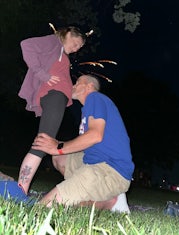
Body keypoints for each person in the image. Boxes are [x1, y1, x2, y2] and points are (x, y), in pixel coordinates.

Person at [32, 74, 135, 213]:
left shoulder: (95, 98)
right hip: (93, 162)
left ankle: (108, 200)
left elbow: (95, 136)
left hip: (111, 170)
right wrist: (58, 144)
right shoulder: (89, 108)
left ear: (89, 86)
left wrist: (58, 147)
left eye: (77, 82)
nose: (73, 86)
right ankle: (106, 199)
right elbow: (89, 142)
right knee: (59, 158)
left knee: (41, 209)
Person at [17, 24, 92, 194]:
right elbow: (26, 45)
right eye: (77, 43)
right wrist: (42, 74)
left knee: (43, 142)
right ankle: (21, 191)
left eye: (80, 47)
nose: (77, 48)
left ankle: (22, 190)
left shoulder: (60, 53)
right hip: (54, 95)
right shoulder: (53, 42)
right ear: (68, 34)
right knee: (42, 143)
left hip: (57, 97)